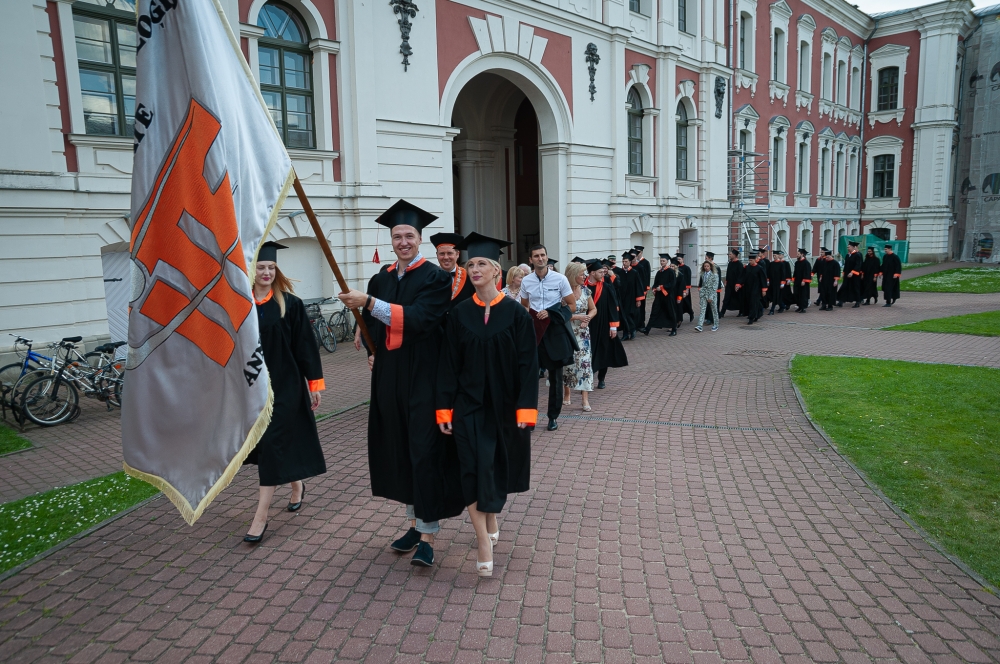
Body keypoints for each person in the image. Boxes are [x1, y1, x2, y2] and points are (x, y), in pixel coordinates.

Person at [338, 199, 460, 567]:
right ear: (390, 240)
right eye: (397, 236)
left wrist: (368, 302)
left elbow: (420, 318)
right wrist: (369, 345)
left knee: (424, 451)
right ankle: (413, 524)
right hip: (390, 377)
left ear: (420, 239)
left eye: (409, 235)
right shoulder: (382, 279)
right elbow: (374, 327)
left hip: (424, 376)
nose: (403, 241)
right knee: (401, 450)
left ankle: (428, 536)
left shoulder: (437, 278)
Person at [435, 233, 537, 578]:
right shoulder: (459, 313)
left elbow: (528, 365)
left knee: (491, 468)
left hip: (504, 408)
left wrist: (526, 409)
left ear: (497, 270)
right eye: (470, 264)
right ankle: (482, 540)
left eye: (481, 263)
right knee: (470, 467)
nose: (474, 268)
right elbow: (448, 365)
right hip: (467, 406)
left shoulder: (516, 314)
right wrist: (444, 409)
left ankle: (491, 517)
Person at [243, 242, 326, 543]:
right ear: (251, 271)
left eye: (271, 267)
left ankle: (260, 517)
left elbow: (305, 347)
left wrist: (314, 385)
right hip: (253, 390)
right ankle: (297, 484)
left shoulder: (290, 304)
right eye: (261, 267)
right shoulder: (242, 305)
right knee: (268, 445)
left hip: (286, 387)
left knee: (271, 445)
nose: (266, 272)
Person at [520, 244, 576, 431]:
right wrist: (529, 317)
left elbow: (572, 306)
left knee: (556, 378)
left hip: (554, 332)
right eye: (536, 256)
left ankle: (553, 417)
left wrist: (551, 313)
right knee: (530, 378)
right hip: (534, 332)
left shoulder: (560, 279)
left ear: (546, 256)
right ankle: (530, 418)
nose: (540, 258)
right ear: (531, 260)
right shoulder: (526, 281)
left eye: (543, 255)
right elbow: (524, 305)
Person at [585, 260, 628, 389]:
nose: (603, 273)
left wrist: (613, 327)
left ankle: (601, 379)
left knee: (604, 351)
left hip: (603, 324)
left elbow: (612, 307)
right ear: (592, 273)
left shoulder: (606, 287)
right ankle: (587, 380)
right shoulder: (583, 287)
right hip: (588, 325)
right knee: (588, 352)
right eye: (600, 272)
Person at [561, 262, 596, 411]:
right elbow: (560, 314)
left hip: (583, 333)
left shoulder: (586, 291)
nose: (585, 276)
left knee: (585, 364)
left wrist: (588, 318)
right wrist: (577, 317)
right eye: (582, 274)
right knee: (568, 363)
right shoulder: (563, 292)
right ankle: (567, 393)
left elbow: (593, 309)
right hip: (567, 332)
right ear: (573, 275)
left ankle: (585, 399)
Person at [430, 232, 475, 309]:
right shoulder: (430, 277)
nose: (446, 257)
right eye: (442, 254)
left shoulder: (469, 277)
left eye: (450, 253)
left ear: (457, 254)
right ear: (437, 255)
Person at [642, 254, 679, 336]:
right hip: (659, 296)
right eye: (661, 261)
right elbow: (656, 283)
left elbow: (672, 283)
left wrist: (662, 287)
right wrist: (654, 288)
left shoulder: (671, 271)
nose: (662, 262)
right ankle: (647, 329)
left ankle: (674, 329)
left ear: (667, 261)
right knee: (654, 310)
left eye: (663, 261)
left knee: (671, 311)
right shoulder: (659, 272)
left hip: (668, 295)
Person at [739, 252, 768, 324]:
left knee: (753, 302)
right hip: (748, 287)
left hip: (756, 288)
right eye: (749, 260)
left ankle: (751, 318)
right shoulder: (747, 267)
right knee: (751, 302)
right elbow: (744, 276)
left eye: (751, 260)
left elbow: (763, 279)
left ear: (755, 260)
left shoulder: (759, 268)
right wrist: (739, 284)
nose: (750, 262)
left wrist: (764, 289)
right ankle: (758, 313)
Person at [695, 260, 720, 332]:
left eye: (707, 266)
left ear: (710, 267)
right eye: (705, 266)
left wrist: (711, 296)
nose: (706, 267)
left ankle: (716, 324)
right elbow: (702, 284)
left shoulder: (715, 275)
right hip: (704, 294)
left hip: (712, 294)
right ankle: (700, 325)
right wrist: (701, 291)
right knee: (702, 309)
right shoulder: (703, 274)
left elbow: (715, 287)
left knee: (714, 309)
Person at [701, 251, 723, 326]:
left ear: (710, 258)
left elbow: (718, 279)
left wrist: (717, 289)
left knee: (713, 304)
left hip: (714, 289)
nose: (705, 259)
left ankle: (712, 319)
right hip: (707, 289)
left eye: (706, 258)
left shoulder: (716, 267)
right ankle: (708, 317)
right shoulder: (706, 267)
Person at [720, 248, 744, 318]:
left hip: (737, 285)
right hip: (729, 284)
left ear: (734, 255)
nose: (729, 255)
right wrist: (726, 281)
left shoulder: (739, 264)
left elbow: (741, 275)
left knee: (739, 298)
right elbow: (728, 273)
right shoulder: (730, 263)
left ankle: (741, 311)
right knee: (726, 298)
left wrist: (738, 284)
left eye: (730, 254)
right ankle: (722, 312)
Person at [766, 251, 790, 315]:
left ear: (778, 256)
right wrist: (768, 280)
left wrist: (782, 283)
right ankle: (782, 305)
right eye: (773, 255)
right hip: (772, 282)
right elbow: (768, 273)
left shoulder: (781, 264)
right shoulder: (771, 264)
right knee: (774, 296)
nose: (774, 256)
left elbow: (783, 274)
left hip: (778, 283)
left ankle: (772, 310)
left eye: (775, 255)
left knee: (775, 295)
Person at [633, 246, 651, 328]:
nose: (638, 253)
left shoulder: (645, 262)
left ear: (642, 252)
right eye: (636, 252)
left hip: (643, 288)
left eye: (639, 252)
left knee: (642, 306)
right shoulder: (633, 262)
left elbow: (647, 276)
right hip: (635, 288)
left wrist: (646, 288)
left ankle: (641, 323)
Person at [842, 241, 863, 308]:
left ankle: (857, 301)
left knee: (855, 287)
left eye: (849, 247)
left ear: (853, 247)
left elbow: (858, 265)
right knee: (844, 286)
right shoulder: (847, 255)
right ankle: (841, 300)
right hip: (847, 274)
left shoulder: (857, 255)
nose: (848, 248)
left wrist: (852, 272)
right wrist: (844, 273)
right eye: (847, 247)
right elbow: (846, 265)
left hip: (855, 275)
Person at [792, 248, 812, 313]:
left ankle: (803, 308)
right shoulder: (797, 263)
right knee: (797, 294)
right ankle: (799, 306)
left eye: (798, 254)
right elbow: (795, 272)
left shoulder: (806, 263)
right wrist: (793, 278)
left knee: (803, 294)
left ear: (802, 254)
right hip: (797, 281)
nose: (797, 255)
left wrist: (804, 280)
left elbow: (807, 273)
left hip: (803, 282)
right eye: (797, 254)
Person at [675, 253, 694, 322]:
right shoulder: (676, 268)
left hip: (685, 288)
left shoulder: (687, 268)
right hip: (678, 288)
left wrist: (687, 289)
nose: (678, 260)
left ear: (683, 259)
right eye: (677, 259)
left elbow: (688, 279)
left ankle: (691, 313)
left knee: (687, 302)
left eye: (679, 259)